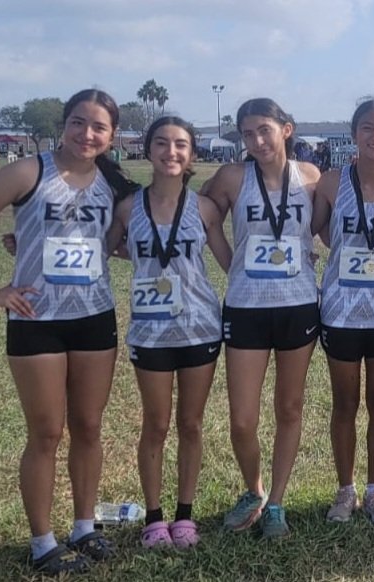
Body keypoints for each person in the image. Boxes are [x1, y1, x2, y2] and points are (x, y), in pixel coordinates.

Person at [0, 89, 139, 575]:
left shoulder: (113, 185)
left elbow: (117, 243)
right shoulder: (27, 172)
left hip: (95, 317)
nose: (87, 134)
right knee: (46, 432)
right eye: (79, 123)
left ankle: (84, 526)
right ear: (64, 124)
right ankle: (42, 543)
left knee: (90, 427)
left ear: (112, 135)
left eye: (99, 127)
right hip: (37, 320)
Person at [103, 116, 232, 549]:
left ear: (191, 154)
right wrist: (27, 242)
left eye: (180, 145)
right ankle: (154, 517)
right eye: (162, 143)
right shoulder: (127, 208)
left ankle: (185, 515)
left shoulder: (205, 209)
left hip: (199, 328)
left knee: (191, 424)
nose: (171, 152)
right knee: (155, 424)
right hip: (150, 332)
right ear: (148, 148)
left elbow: (233, 264)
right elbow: (102, 249)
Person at [203, 98, 321, 538]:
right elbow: (199, 218)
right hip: (246, 307)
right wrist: (231, 262)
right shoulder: (232, 177)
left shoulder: (310, 177)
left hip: (298, 305)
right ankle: (253, 489)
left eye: (264, 130)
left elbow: (329, 226)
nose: (256, 141)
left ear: (285, 129)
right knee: (242, 419)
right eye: (248, 133)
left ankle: (277, 503)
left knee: (289, 407)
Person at [311, 99, 374, 525]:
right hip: (340, 309)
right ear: (354, 134)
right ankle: (344, 489)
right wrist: (347, 255)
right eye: (368, 128)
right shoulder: (332, 182)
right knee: (344, 403)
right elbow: (317, 226)